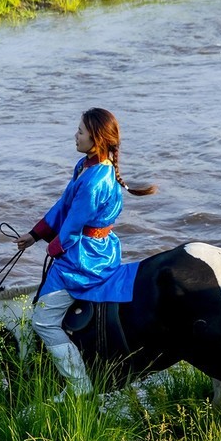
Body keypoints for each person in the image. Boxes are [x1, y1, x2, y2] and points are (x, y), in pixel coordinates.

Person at [15, 107, 156, 398]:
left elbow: (72, 226)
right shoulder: (85, 165)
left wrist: (53, 247)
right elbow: (64, 205)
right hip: (95, 245)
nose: (75, 136)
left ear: (97, 138)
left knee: (42, 321)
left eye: (80, 132)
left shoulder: (94, 181)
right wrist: (35, 234)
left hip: (85, 256)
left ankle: (79, 387)